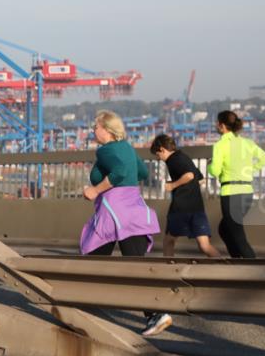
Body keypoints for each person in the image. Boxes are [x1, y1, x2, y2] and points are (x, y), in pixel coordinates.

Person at [80, 111, 169, 337]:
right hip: (134, 208)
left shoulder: (105, 150)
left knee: (91, 259)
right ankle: (156, 314)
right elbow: (141, 171)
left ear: (107, 130)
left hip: (114, 212)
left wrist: (95, 190)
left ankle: (78, 311)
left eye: (96, 127)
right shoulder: (127, 148)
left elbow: (119, 172)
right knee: (135, 265)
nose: (93, 131)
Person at [209, 110, 265, 259]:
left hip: (231, 193)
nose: (216, 125)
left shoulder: (220, 145)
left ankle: (252, 265)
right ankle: (237, 261)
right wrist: (250, 170)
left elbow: (215, 171)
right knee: (224, 229)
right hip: (247, 192)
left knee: (237, 234)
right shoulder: (247, 143)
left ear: (222, 125)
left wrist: (209, 165)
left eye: (217, 123)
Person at [150, 135, 220, 258]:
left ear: (162, 149)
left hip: (180, 207)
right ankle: (223, 265)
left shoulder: (173, 160)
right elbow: (200, 179)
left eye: (157, 154)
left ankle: (169, 267)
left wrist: (173, 185)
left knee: (168, 241)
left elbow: (189, 176)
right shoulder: (184, 157)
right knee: (204, 246)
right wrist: (187, 187)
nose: (158, 158)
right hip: (197, 207)